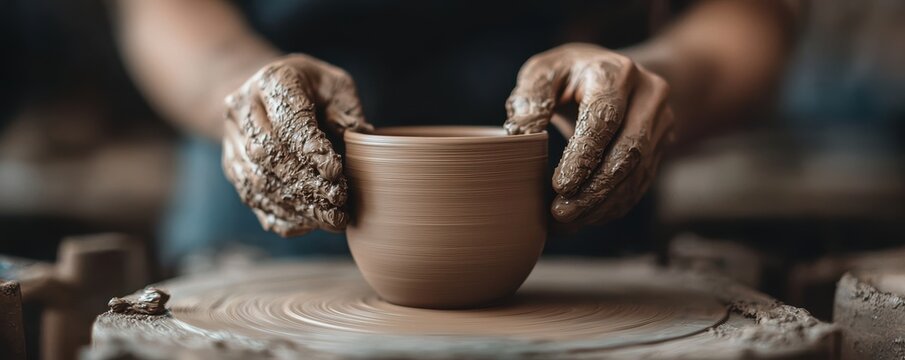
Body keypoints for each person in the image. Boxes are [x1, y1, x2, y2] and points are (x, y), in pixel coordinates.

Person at [106, 0, 797, 265]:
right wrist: (235, 83)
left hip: (572, 216)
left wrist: (656, 75)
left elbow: (743, 18)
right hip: (270, 219)